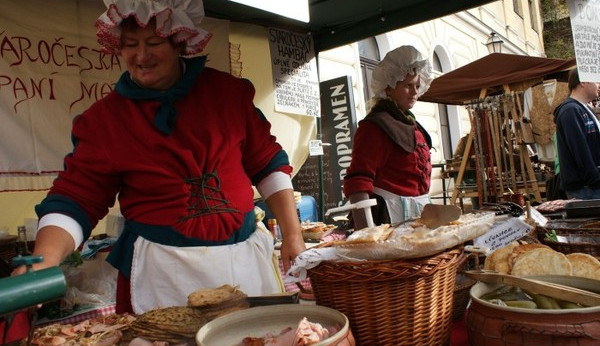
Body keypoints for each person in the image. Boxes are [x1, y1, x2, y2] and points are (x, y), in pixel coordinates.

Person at [12, 0, 306, 314]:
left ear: (179, 40)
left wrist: (292, 234)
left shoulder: (228, 94)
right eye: (130, 45)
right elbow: (76, 197)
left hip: (245, 265)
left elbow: (267, 163)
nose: (141, 56)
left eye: (153, 43)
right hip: (163, 274)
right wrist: (44, 261)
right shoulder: (106, 121)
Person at [343, 46, 433, 230]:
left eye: (417, 86)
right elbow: (359, 180)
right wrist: (366, 234)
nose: (415, 92)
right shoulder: (375, 127)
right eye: (408, 85)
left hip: (419, 217)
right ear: (389, 87)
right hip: (387, 220)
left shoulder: (412, 124)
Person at [553, 68, 600, 200]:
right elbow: (579, 149)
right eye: (596, 81)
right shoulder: (570, 111)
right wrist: (595, 178)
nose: (599, 85)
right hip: (586, 189)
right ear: (583, 81)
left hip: (590, 187)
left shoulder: (583, 109)